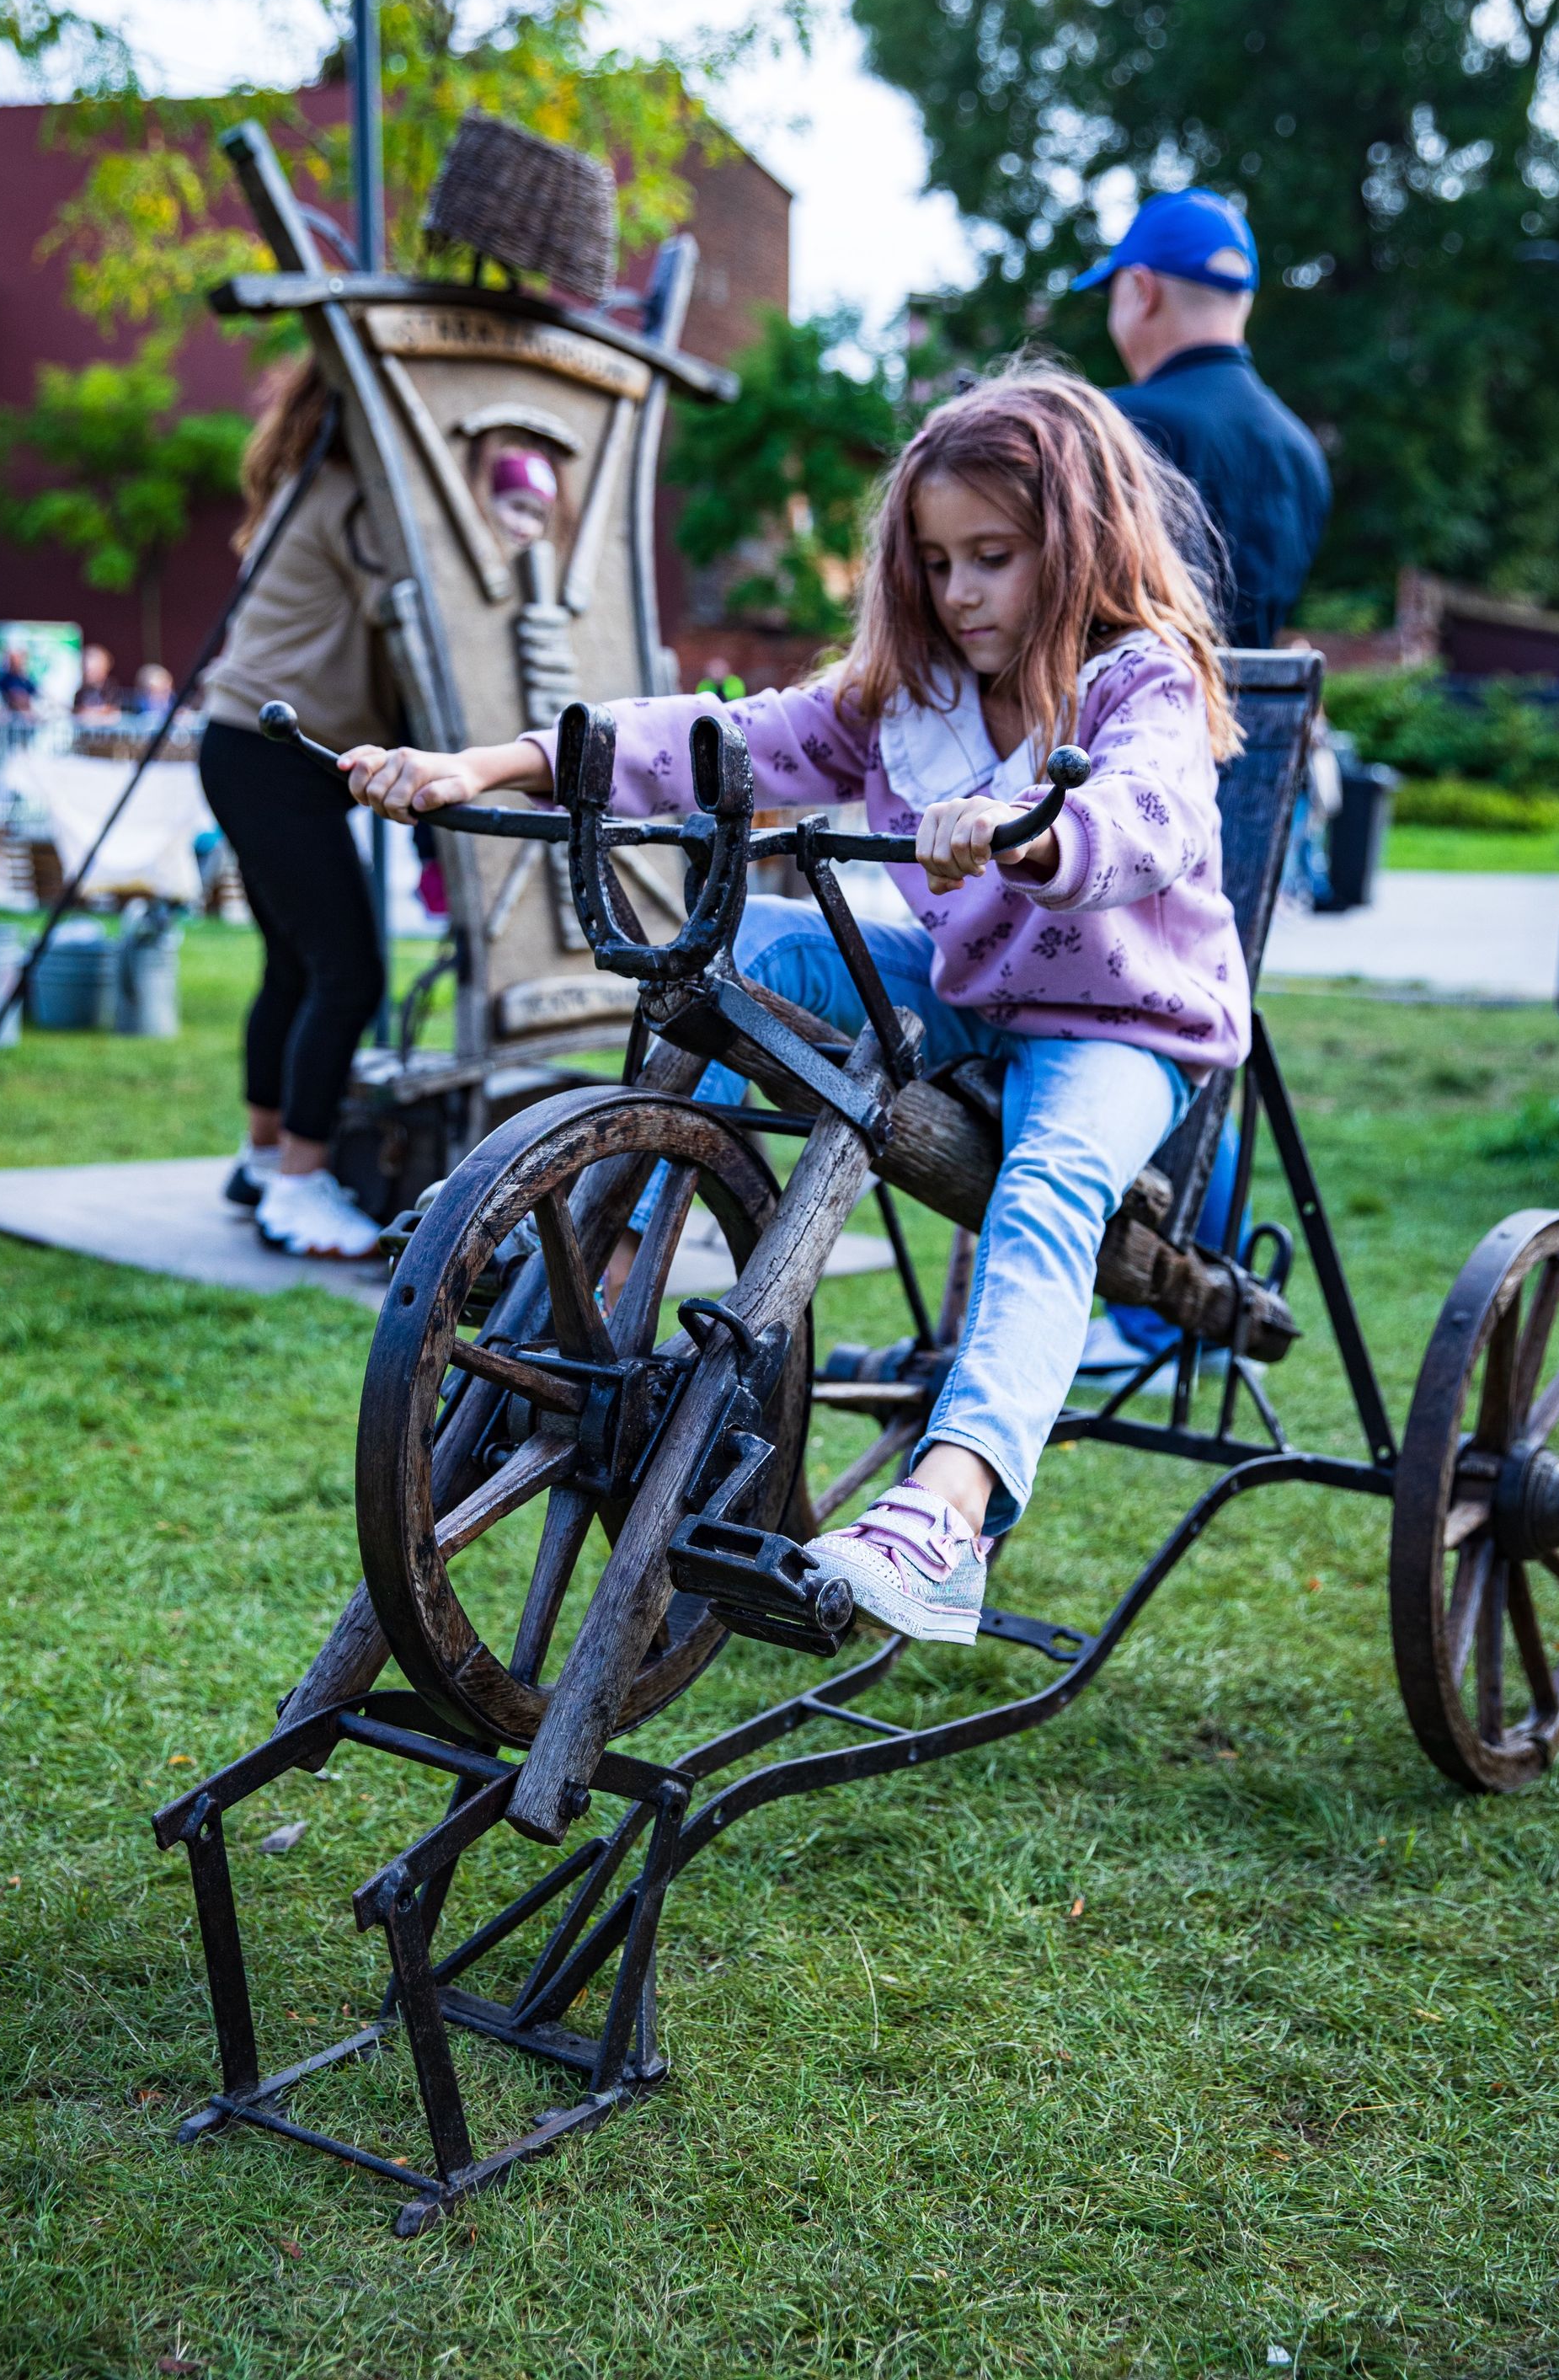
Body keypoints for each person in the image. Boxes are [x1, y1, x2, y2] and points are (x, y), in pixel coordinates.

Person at [340, 363, 1249, 1645]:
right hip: (970, 994)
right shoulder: (911, 696)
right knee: (752, 943)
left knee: (1045, 1195)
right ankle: (604, 1243)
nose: (960, 593)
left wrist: (1029, 836)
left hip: (1122, 1029)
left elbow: (1149, 816)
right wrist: (487, 765)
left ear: (1080, 540)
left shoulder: (1135, 682)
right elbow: (715, 739)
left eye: (993, 556)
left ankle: (947, 1507)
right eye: (935, 563)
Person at [196, 357, 402, 1260]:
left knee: (294, 967)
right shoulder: (357, 501)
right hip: (270, 753)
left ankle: (263, 1154)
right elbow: (415, 629)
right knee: (347, 972)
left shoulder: (305, 480)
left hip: (248, 745)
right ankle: (299, 1184)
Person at [1072, 187, 1330, 650]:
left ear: (1142, 291)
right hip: (1255, 719)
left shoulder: (1110, 425)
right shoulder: (1303, 452)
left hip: (1128, 716)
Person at [73, 644, 124, 720]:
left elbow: (114, 711)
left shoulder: (112, 687)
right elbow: (78, 710)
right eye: (86, 669)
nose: (88, 673)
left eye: (93, 670)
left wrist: (93, 713)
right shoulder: (81, 690)